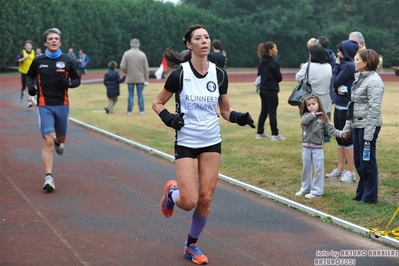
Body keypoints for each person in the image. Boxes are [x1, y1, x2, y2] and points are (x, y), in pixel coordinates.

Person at [152, 24, 255, 265]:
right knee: (188, 202)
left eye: (206, 37)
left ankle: (191, 245)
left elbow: (225, 110)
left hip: (211, 141)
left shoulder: (219, 74)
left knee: (206, 197)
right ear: (189, 45)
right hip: (186, 141)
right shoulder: (180, 73)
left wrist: (239, 117)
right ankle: (172, 192)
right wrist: (169, 118)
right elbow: (158, 103)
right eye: (198, 38)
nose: (204, 41)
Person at [26, 28, 81, 191]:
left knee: (61, 139)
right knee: (47, 140)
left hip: (63, 105)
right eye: (50, 39)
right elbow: (29, 76)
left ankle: (59, 142)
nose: (54, 41)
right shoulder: (38, 60)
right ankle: (48, 177)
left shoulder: (68, 60)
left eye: (56, 38)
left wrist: (69, 84)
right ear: (45, 42)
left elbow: (77, 79)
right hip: (44, 105)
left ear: (60, 42)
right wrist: (31, 86)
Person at [343, 49, 384, 203]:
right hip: (357, 123)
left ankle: (370, 196)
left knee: (367, 161)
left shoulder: (374, 81)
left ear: (365, 63)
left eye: (357, 60)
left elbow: (374, 109)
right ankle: (362, 192)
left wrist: (368, 134)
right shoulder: (359, 78)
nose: (354, 62)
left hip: (368, 125)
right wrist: (348, 128)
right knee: (359, 161)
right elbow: (352, 106)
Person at [295, 95, 345, 199]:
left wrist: (341, 134)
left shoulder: (323, 117)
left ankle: (316, 191)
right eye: (309, 105)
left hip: (317, 147)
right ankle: (305, 188)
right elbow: (303, 121)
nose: (311, 106)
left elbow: (331, 129)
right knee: (306, 168)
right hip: (306, 147)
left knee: (318, 169)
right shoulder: (306, 115)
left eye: (313, 104)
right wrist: (313, 114)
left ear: (318, 104)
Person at [326, 40, 359, 182]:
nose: (338, 54)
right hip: (339, 106)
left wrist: (336, 67)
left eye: (340, 51)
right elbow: (334, 86)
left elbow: (334, 81)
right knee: (339, 137)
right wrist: (336, 88)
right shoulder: (344, 65)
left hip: (346, 107)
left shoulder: (348, 66)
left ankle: (350, 171)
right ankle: (340, 169)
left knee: (347, 137)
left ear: (346, 53)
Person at [296, 45, 332, 142]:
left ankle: (308, 135)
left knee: (309, 118)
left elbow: (298, 78)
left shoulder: (307, 66)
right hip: (325, 96)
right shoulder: (328, 66)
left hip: (311, 97)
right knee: (325, 116)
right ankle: (326, 136)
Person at [255, 41, 285, 141]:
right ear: (270, 50)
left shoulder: (261, 61)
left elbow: (259, 74)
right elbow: (279, 77)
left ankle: (260, 132)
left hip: (263, 89)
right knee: (272, 112)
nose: (277, 50)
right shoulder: (274, 63)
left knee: (264, 111)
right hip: (271, 90)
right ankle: (275, 134)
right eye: (275, 48)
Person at [120, 38, 149, 115]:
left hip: (130, 77)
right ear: (138, 44)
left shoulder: (126, 54)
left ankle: (129, 111)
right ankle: (142, 110)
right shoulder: (142, 54)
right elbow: (146, 69)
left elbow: (122, 66)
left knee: (130, 94)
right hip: (140, 78)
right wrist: (146, 79)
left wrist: (126, 71)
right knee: (140, 94)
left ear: (130, 44)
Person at [16, 40, 35, 107]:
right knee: (24, 87)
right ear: (24, 47)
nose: (28, 47)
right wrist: (24, 58)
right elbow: (17, 60)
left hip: (31, 73)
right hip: (24, 73)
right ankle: (22, 93)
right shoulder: (22, 52)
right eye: (26, 46)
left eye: (29, 45)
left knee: (30, 86)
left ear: (31, 46)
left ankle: (29, 101)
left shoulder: (33, 52)